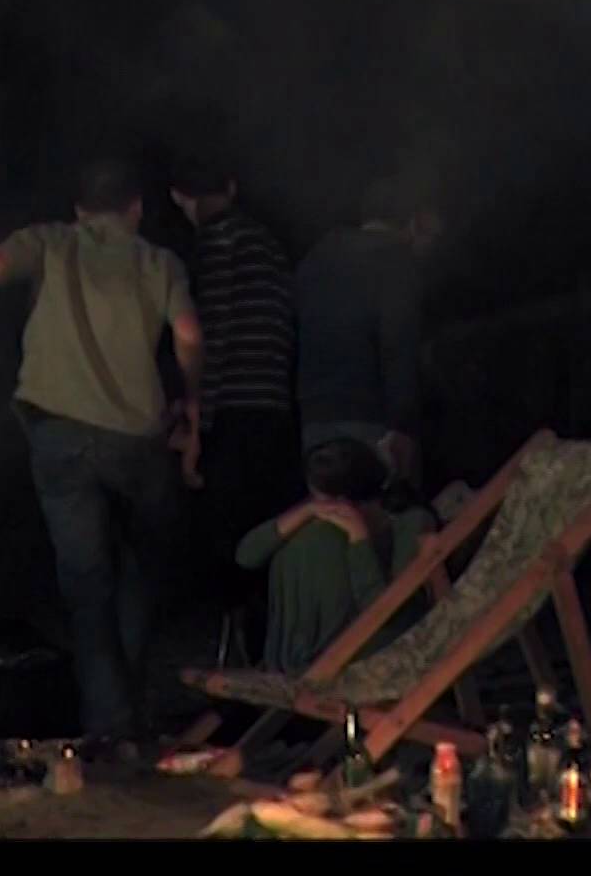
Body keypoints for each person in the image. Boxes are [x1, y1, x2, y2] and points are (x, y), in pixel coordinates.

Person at [0, 157, 204, 749]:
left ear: (78, 209)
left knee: (86, 584)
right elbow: (190, 335)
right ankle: (133, 707)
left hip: (59, 434)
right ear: (136, 209)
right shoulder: (159, 262)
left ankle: (108, 724)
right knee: (140, 570)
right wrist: (195, 401)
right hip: (138, 440)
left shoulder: (48, 242)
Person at [168, 155, 300, 658]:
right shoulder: (268, 245)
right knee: (268, 539)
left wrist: (196, 423)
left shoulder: (215, 247)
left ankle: (241, 661)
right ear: (231, 187)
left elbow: (213, 338)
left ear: (181, 197)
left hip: (232, 416)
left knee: (232, 546)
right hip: (273, 409)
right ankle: (276, 655)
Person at [234, 438, 436, 673]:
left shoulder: (409, 523)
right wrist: (307, 511)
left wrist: (359, 541)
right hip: (314, 655)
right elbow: (246, 556)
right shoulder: (322, 519)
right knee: (306, 541)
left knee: (318, 540)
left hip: (377, 645)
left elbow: (387, 612)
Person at [294, 173, 441, 486]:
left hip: (315, 420)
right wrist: (402, 425)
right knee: (387, 510)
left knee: (332, 511)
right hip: (373, 420)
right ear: (413, 223)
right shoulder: (397, 263)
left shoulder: (314, 262)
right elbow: (398, 344)